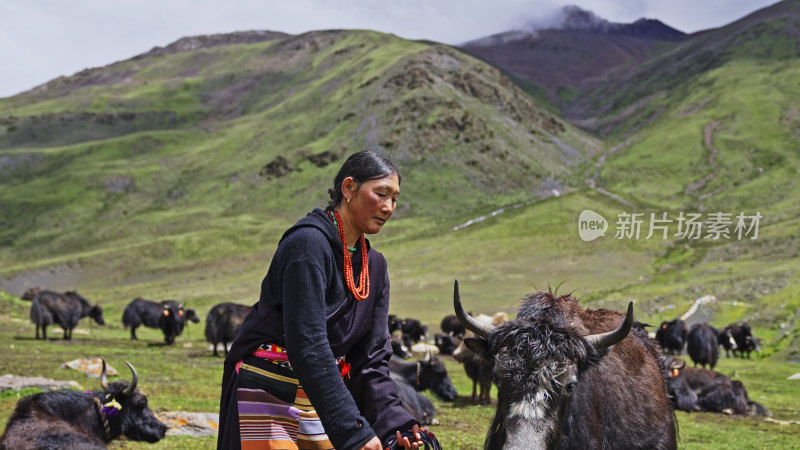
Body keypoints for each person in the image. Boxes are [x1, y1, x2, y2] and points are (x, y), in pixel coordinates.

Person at [218, 151, 432, 450]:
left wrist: (398, 425)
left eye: (394, 199)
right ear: (349, 189)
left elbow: (371, 360)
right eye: (381, 194)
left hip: (321, 392)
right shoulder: (307, 245)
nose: (388, 207)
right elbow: (308, 343)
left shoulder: (375, 267)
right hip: (268, 388)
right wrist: (353, 431)